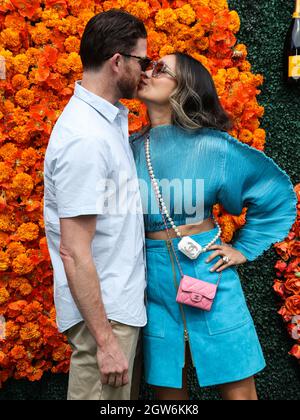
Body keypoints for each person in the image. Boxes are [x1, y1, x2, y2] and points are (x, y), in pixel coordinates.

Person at [130, 53, 298, 400]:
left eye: (161, 68)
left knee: (239, 393)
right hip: (153, 285)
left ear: (185, 86)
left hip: (209, 272)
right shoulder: (127, 148)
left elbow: (276, 197)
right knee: (168, 397)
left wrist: (243, 248)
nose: (148, 71)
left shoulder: (214, 147)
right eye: (149, 64)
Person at [43, 9, 151, 400]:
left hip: (115, 311)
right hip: (104, 320)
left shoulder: (105, 123)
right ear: (118, 61)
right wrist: (106, 343)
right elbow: (74, 250)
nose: (147, 70)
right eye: (144, 60)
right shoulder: (85, 137)